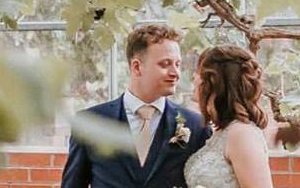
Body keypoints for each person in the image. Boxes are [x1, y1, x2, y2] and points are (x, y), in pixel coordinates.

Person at [61, 24, 210, 188]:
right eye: (165, 64)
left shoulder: (196, 126)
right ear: (137, 67)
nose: (175, 73)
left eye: (178, 64)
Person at [184, 45, 274, 188]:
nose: (194, 77)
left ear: (213, 82)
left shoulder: (243, 134)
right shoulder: (223, 132)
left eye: (199, 72)